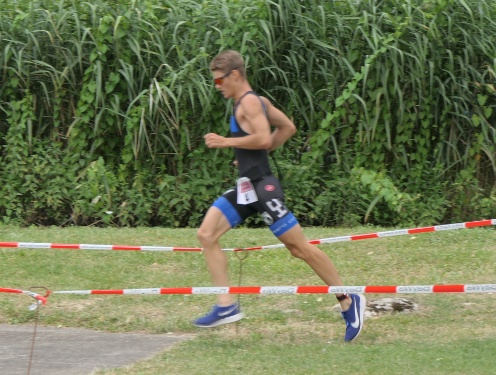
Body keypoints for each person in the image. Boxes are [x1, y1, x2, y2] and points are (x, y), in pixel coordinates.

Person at [195, 50, 365, 342]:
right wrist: (253, 154)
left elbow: (262, 136)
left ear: (235, 75)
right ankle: (226, 306)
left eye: (220, 80)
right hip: (247, 187)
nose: (217, 86)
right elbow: (287, 127)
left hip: (263, 187)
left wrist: (228, 142)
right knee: (206, 234)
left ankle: (348, 299)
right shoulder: (257, 101)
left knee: (299, 249)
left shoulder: (248, 102)